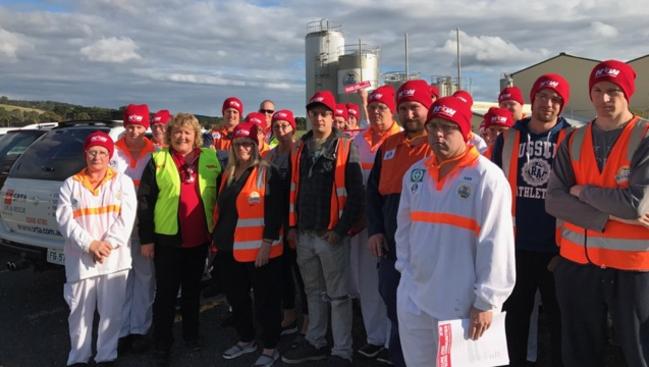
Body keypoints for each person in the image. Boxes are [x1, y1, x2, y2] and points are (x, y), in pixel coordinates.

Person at [395, 96, 516, 366]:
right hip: (417, 297)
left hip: (462, 303)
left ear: (465, 131)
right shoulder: (416, 174)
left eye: (448, 127)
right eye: (434, 126)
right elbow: (404, 230)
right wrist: (406, 274)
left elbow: (497, 244)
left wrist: (487, 301)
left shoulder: (488, 178)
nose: (438, 134)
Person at [546, 60, 649, 367]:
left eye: (614, 91)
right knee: (579, 352)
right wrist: (608, 217)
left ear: (627, 94)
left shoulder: (644, 136)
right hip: (578, 263)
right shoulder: (572, 140)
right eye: (599, 90)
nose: (605, 99)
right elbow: (553, 201)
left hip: (634, 268)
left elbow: (635, 204)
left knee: (639, 353)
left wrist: (582, 191)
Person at [490, 73, 572, 367]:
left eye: (555, 99)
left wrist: (566, 248)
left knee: (558, 318)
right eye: (542, 97)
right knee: (515, 317)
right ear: (532, 99)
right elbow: (494, 187)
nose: (548, 104)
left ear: (561, 106)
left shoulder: (572, 139)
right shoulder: (509, 138)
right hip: (516, 245)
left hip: (558, 247)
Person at [281, 90, 363, 366]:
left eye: (324, 113)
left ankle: (342, 350)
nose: (319, 118)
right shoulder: (300, 148)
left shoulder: (346, 147)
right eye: (314, 113)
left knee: (338, 296)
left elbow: (356, 195)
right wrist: (292, 227)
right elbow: (294, 189)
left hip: (330, 236)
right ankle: (315, 340)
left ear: (332, 116)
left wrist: (339, 231)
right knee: (313, 292)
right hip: (305, 234)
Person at [138, 113, 222, 367]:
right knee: (165, 295)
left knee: (192, 292)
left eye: (187, 132)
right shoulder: (158, 160)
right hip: (167, 241)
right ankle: (162, 343)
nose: (182, 136)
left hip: (199, 240)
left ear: (196, 136)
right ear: (169, 134)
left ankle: (191, 335)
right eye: (177, 132)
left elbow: (221, 195)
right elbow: (145, 202)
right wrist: (147, 239)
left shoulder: (210, 159)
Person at [366, 79, 433, 367]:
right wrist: (376, 231)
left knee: (426, 314)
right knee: (394, 307)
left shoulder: (438, 144)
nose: (409, 114)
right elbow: (372, 194)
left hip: (427, 250)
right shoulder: (389, 146)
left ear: (428, 108)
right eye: (403, 108)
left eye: (414, 108)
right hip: (391, 248)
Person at [57, 131, 137, 367]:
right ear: (85, 154)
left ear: (109, 156)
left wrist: (108, 244)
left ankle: (106, 357)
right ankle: (79, 358)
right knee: (79, 316)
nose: (97, 157)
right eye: (93, 152)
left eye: (102, 152)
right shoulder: (70, 185)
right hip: (81, 262)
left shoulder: (122, 182)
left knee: (111, 315)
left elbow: (127, 218)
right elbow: (65, 221)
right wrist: (90, 244)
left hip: (114, 261)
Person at [214, 121, 287, 366]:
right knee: (238, 299)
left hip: (260, 251)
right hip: (229, 249)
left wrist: (267, 244)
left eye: (248, 143)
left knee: (266, 301)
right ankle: (246, 340)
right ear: (232, 146)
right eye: (239, 144)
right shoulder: (227, 174)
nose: (243, 148)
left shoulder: (268, 172)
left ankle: (270, 347)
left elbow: (276, 212)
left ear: (256, 146)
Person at [349, 84, 401, 362]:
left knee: (391, 285)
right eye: (373, 107)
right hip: (362, 222)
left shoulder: (399, 140)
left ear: (392, 111)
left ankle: (394, 338)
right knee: (368, 282)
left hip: (389, 222)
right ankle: (374, 336)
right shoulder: (358, 140)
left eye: (382, 108)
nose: (377, 112)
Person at [112, 104, 157, 354]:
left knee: (145, 277)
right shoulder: (112, 153)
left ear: (145, 127)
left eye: (139, 126)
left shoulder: (156, 153)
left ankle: (140, 328)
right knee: (121, 277)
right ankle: (121, 330)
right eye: (130, 126)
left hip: (145, 225)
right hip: (118, 226)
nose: (134, 131)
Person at [266, 110, 309, 338]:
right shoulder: (270, 156)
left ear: (293, 128)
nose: (281, 131)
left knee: (301, 270)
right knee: (282, 270)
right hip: (277, 219)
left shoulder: (300, 151)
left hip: (297, 218)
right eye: (277, 127)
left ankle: (309, 317)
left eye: (285, 126)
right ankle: (290, 312)